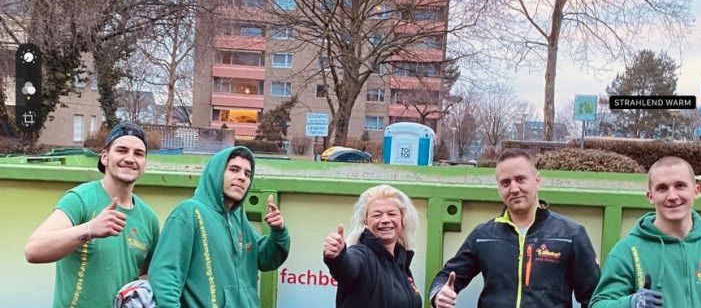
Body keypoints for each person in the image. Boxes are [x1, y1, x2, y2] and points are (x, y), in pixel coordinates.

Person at [430, 148, 600, 308]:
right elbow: (446, 277)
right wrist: (439, 293)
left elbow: (593, 298)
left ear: (537, 180)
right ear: (499, 188)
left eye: (520, 179)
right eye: (505, 182)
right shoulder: (483, 236)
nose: (514, 189)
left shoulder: (570, 234)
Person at [590, 156, 701, 308]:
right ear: (650, 197)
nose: (672, 196)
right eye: (662, 188)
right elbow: (598, 304)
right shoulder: (627, 251)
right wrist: (629, 304)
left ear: (696, 191)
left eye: (680, 186)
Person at [25, 122, 159, 308]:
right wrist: (90, 229)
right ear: (104, 157)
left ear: (144, 163)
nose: (130, 158)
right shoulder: (80, 199)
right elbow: (33, 250)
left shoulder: (149, 218)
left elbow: (146, 273)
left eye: (138, 153)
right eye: (121, 150)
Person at [149, 146, 290, 308]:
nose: (242, 178)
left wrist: (279, 232)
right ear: (216, 173)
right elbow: (165, 276)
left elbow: (266, 260)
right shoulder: (189, 213)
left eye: (247, 173)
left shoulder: (238, 217)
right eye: (234, 170)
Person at [323, 184, 422, 308]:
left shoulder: (401, 262)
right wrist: (338, 256)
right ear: (365, 221)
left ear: (403, 219)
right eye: (377, 215)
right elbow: (346, 267)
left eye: (392, 214)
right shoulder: (361, 255)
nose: (385, 220)